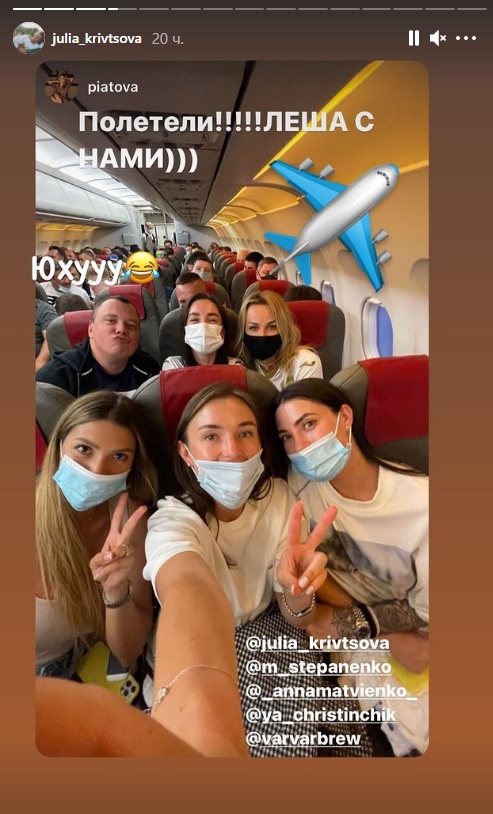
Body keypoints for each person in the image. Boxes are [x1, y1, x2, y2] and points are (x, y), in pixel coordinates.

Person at [274, 379, 429, 756]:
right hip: (367, 641)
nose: (300, 447)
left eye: (309, 424)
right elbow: (305, 609)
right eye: (287, 437)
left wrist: (345, 621)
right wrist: (378, 633)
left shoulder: (422, 505)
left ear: (345, 417)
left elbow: (426, 619)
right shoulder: (297, 490)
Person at [36, 392, 157, 679]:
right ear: (59, 447)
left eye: (119, 456)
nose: (97, 469)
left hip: (80, 669)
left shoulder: (130, 521)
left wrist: (115, 591)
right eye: (84, 449)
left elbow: (127, 654)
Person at [36, 296, 160, 397]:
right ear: (91, 329)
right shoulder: (56, 377)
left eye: (131, 325)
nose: (121, 330)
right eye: (111, 321)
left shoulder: (151, 371)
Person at [235, 290, 323, 391]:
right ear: (243, 331)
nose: (262, 334)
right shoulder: (237, 367)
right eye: (253, 328)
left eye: (272, 327)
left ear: (283, 328)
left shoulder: (305, 362)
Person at [162, 293, 241, 370]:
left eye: (212, 320)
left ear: (222, 332)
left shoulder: (235, 368)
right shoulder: (173, 367)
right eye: (195, 319)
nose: (203, 325)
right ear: (185, 329)